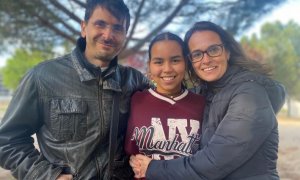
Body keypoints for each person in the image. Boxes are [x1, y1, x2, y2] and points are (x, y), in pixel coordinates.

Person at [0, 0, 149, 179]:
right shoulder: (43, 77)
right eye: (100, 24)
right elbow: (7, 142)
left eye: (118, 28)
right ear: (84, 28)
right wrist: (46, 175)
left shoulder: (135, 80)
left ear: (125, 35)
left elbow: (172, 103)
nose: (108, 35)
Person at [130, 21, 286, 180]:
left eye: (213, 50)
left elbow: (214, 163)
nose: (206, 60)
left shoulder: (250, 95)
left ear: (228, 52)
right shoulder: (206, 93)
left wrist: (152, 168)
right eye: (197, 54)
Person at [124, 32, 205, 178]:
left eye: (175, 60)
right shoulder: (135, 100)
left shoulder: (202, 104)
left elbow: (209, 160)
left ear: (186, 62)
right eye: (159, 62)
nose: (167, 69)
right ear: (149, 65)